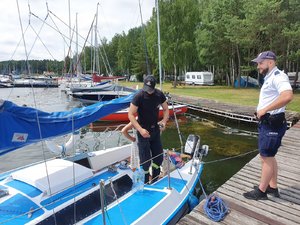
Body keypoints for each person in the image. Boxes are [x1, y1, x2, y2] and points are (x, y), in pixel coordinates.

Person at [243, 51, 293, 200]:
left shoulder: (279, 77)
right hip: (269, 122)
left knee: (266, 157)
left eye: (260, 63)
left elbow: (287, 96)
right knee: (269, 156)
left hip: (272, 123)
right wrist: (261, 111)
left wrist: (265, 109)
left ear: (270, 62)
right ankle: (273, 187)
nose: (258, 66)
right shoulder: (270, 77)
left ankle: (261, 191)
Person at [128, 75, 169, 183]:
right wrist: (140, 130)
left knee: (158, 158)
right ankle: (145, 182)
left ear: (154, 87)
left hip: (155, 130)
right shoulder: (139, 96)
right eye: (146, 88)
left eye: (150, 89)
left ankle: (155, 180)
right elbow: (131, 114)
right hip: (143, 132)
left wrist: (164, 122)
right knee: (145, 162)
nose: (148, 91)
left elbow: (166, 109)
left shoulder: (159, 94)